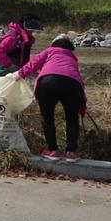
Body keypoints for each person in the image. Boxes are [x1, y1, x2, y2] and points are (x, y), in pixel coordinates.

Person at [15, 34, 87, 163]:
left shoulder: (49, 51)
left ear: (54, 44)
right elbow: (78, 77)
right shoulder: (73, 58)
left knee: (47, 116)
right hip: (72, 84)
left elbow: (32, 64)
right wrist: (82, 105)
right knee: (72, 117)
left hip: (48, 83)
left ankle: (53, 150)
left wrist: (17, 75)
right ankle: (71, 152)